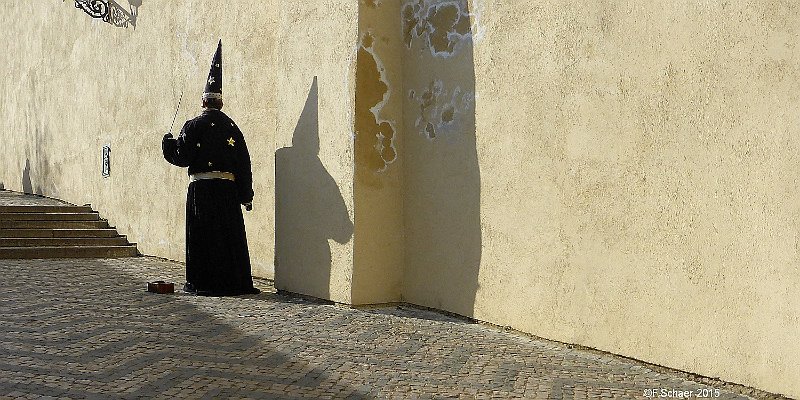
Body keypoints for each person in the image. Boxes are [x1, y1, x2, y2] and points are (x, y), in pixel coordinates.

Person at [162, 40, 259, 296]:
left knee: (203, 237)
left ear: (203, 102)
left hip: (202, 190)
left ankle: (203, 283)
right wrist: (245, 195)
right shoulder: (232, 128)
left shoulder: (192, 126)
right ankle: (234, 283)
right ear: (221, 103)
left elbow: (182, 157)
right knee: (228, 238)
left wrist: (167, 145)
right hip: (227, 191)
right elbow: (243, 163)